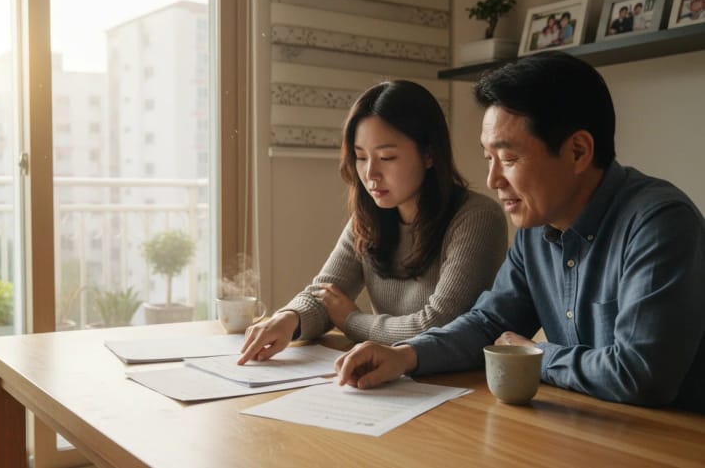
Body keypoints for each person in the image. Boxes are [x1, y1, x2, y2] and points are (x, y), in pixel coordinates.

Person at [334, 52, 705, 413]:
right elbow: (488, 323)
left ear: (578, 151)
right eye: (488, 159)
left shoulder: (659, 223)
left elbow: (641, 374)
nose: (493, 180)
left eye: (509, 159)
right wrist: (405, 356)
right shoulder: (536, 229)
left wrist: (534, 355)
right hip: (588, 429)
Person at [238, 80, 507, 364]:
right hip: (391, 378)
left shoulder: (477, 218)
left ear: (429, 154)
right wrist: (288, 318)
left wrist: (352, 321)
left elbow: (437, 326)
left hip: (461, 383)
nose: (371, 174)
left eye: (387, 157)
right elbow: (326, 294)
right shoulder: (371, 216)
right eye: (361, 157)